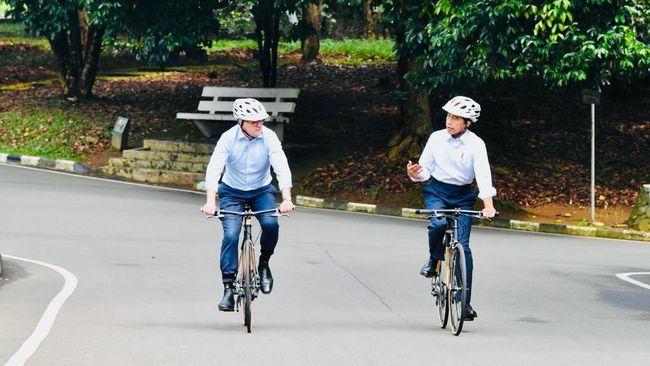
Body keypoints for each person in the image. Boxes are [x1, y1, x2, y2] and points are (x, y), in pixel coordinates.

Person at [406, 96, 497, 321]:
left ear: (467, 123)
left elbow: (483, 176)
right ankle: (433, 258)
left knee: (463, 247)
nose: (450, 121)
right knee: (437, 224)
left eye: (456, 118)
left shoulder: (476, 144)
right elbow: (425, 169)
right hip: (437, 191)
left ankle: (464, 304)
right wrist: (415, 174)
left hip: (463, 196)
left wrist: (488, 206)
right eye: (449, 116)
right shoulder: (437, 138)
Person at [201, 98, 295, 312]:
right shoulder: (228, 138)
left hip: (261, 190)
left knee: (271, 224)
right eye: (254, 122)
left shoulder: (269, 137)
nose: (259, 125)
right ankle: (228, 289)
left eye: (261, 121)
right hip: (232, 192)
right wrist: (210, 201)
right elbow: (214, 168)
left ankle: (263, 264)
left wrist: (287, 198)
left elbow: (281, 165)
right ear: (241, 122)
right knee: (232, 235)